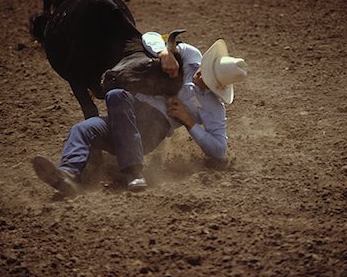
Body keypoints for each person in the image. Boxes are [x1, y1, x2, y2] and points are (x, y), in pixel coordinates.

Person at [32, 32, 248, 196]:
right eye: (205, 69)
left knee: (116, 96)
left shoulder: (213, 107)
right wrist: (164, 53)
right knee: (82, 129)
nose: (200, 75)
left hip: (153, 128)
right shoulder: (190, 56)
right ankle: (68, 175)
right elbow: (149, 36)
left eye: (207, 78)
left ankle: (134, 171)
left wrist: (189, 121)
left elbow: (219, 150)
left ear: (216, 87)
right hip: (126, 113)